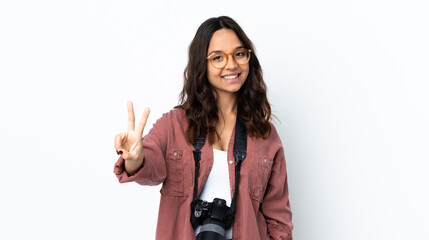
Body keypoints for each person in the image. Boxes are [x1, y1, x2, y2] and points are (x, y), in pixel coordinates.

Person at [113, 16, 293, 240]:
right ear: (202, 65)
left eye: (239, 54)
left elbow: (278, 221)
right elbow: (150, 166)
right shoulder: (174, 124)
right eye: (218, 57)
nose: (231, 64)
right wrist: (134, 158)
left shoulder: (265, 136)